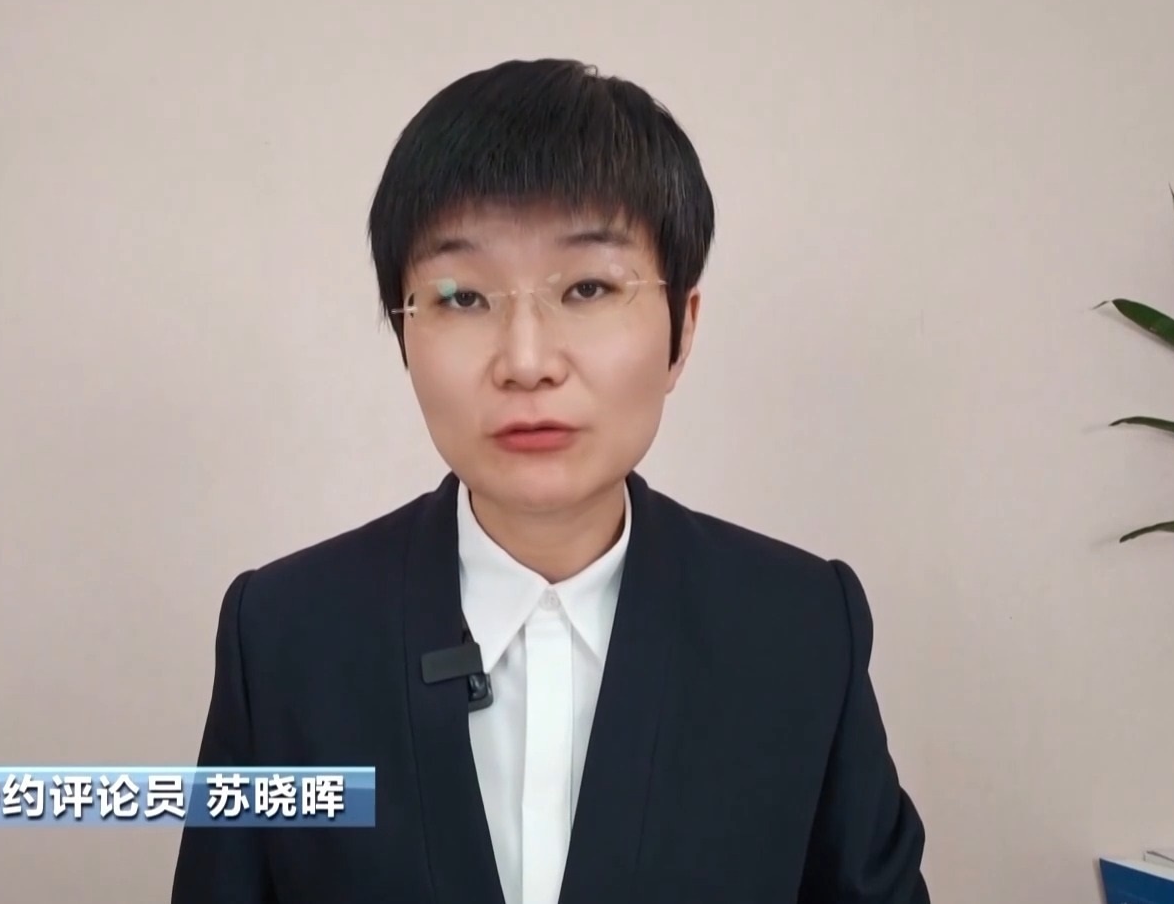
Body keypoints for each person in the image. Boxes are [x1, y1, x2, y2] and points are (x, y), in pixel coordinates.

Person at [170, 58, 929, 904]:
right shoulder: (284, 637)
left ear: (681, 329)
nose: (526, 361)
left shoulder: (799, 630)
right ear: (403, 332)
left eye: (589, 287)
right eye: (462, 297)